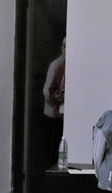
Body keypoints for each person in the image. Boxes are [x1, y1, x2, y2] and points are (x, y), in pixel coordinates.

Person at [43, 35, 66, 167]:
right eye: (63, 46)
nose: (65, 50)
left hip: (66, 116)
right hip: (54, 114)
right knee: (54, 152)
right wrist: (56, 99)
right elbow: (48, 91)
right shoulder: (57, 65)